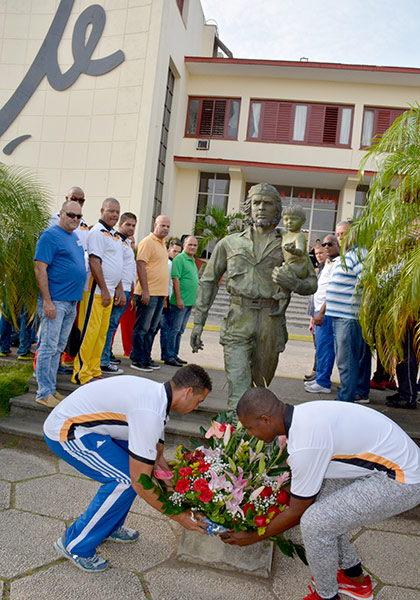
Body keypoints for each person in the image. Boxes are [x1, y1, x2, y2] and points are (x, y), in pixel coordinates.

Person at [220, 387, 420, 600]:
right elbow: (302, 487)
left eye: (250, 428)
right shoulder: (301, 414)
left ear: (266, 419)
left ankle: (326, 597)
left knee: (315, 523)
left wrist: (252, 537)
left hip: (402, 480)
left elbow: (297, 513)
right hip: (389, 463)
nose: (250, 433)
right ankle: (354, 579)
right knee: (325, 508)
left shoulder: (304, 444)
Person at [43, 364, 211, 572]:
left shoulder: (159, 398)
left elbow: (156, 456)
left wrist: (175, 490)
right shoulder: (150, 411)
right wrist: (180, 517)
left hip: (92, 427)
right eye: (199, 401)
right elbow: (140, 482)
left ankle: (108, 527)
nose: (196, 407)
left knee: (135, 472)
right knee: (125, 480)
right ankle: (75, 545)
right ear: (188, 392)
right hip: (67, 430)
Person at [191, 183, 317, 411]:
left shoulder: (289, 245)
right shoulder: (229, 243)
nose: (261, 208)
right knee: (238, 384)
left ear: (277, 211)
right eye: (256, 203)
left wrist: (294, 283)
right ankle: (230, 438)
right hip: (238, 318)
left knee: (260, 387)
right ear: (248, 208)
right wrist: (198, 322)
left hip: (271, 321)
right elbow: (209, 281)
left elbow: (311, 284)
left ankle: (251, 442)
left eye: (268, 204)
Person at [34, 200, 86, 407]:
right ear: (61, 214)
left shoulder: (74, 237)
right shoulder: (50, 236)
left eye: (78, 216)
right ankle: (43, 392)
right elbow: (40, 269)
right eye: (71, 215)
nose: (75, 219)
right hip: (55, 301)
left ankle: (51, 389)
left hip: (71, 302)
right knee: (48, 346)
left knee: (57, 348)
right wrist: (47, 301)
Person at [72, 198, 125, 385]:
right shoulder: (97, 233)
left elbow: (116, 264)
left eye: (117, 212)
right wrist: (103, 289)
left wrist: (118, 288)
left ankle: (94, 369)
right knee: (89, 332)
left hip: (109, 291)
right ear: (102, 210)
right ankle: (81, 372)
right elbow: (95, 261)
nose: (115, 215)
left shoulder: (114, 235)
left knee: (101, 333)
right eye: (111, 211)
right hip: (96, 291)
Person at [324, 241, 371, 403]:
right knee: (344, 362)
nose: (340, 238)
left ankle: (345, 400)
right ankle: (347, 395)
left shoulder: (358, 254)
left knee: (347, 362)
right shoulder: (347, 255)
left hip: (348, 317)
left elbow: (367, 280)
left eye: (344, 233)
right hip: (339, 315)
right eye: (338, 234)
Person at [130, 215, 171, 373]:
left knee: (152, 328)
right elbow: (141, 265)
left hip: (160, 294)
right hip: (148, 293)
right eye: (163, 225)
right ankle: (137, 358)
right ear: (155, 225)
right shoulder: (147, 242)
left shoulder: (162, 244)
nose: (165, 229)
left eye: (168, 226)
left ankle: (145, 357)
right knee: (142, 327)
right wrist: (145, 291)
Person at [100, 212, 137, 374]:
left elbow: (130, 269)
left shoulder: (127, 243)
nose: (131, 228)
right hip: (118, 290)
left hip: (127, 290)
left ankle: (105, 357)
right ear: (120, 224)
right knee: (109, 326)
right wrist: (119, 290)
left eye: (134, 225)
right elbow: (117, 268)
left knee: (111, 326)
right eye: (128, 224)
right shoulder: (116, 241)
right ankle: (103, 361)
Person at [305, 235, 340, 394]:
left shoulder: (338, 263)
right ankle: (320, 378)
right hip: (318, 310)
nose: (326, 247)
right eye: (324, 244)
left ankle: (323, 382)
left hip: (326, 312)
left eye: (330, 244)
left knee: (325, 347)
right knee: (320, 347)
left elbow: (332, 290)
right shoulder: (327, 263)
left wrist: (322, 312)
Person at [165, 236, 199, 366]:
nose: (192, 247)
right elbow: (176, 279)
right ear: (184, 245)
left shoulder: (192, 260)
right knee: (174, 329)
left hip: (188, 302)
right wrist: (179, 298)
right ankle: (169, 356)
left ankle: (174, 354)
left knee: (180, 330)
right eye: (190, 244)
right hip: (180, 302)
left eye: (195, 245)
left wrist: (193, 299)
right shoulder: (180, 259)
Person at [271, 205, 309, 317]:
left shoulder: (299, 235)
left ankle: (283, 297)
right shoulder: (285, 233)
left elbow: (301, 251)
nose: (289, 222)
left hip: (298, 265)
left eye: (294, 219)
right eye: (286, 219)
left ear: (302, 221)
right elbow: (278, 230)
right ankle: (281, 302)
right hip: (289, 264)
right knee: (280, 274)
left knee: (282, 274)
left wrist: (293, 250)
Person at [305, 242, 327, 382]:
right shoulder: (319, 270)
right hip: (315, 312)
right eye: (316, 254)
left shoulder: (329, 268)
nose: (318, 256)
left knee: (322, 347)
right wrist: (311, 318)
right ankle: (315, 371)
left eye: (321, 253)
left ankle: (318, 374)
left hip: (322, 313)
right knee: (317, 346)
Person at [160, 238, 182, 363]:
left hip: (171, 299)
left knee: (171, 329)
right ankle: (167, 355)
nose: (177, 254)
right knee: (165, 329)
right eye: (174, 251)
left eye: (179, 252)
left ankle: (171, 354)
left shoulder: (176, 264)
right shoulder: (167, 264)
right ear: (168, 250)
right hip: (165, 299)